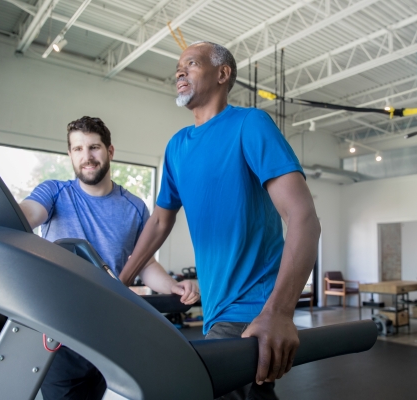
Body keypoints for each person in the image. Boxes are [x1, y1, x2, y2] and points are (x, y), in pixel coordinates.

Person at [120, 42, 320, 399]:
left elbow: (303, 217)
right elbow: (160, 222)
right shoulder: (177, 146)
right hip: (214, 308)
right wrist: (119, 281)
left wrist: (279, 311)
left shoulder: (250, 124)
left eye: (191, 64)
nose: (179, 72)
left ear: (223, 74)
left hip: (251, 307)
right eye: (178, 68)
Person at [19, 116, 200, 400]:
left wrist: (173, 285)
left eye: (94, 147)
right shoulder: (54, 193)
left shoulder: (134, 207)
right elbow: (27, 215)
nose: (86, 157)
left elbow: (145, 263)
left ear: (110, 151)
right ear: (70, 154)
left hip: (112, 333)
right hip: (61, 334)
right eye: (77, 149)